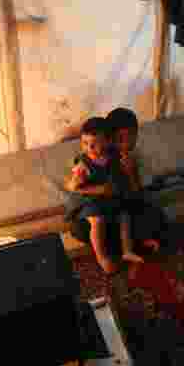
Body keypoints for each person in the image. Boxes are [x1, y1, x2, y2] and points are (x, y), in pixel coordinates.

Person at [64, 117, 141, 274]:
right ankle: (102, 258)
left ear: (107, 142)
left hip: (109, 199)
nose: (89, 148)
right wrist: (77, 179)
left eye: (94, 144)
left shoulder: (113, 156)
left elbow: (123, 180)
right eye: (85, 143)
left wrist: (128, 169)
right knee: (97, 221)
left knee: (124, 216)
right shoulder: (83, 162)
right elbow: (72, 185)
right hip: (90, 202)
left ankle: (127, 250)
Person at [105, 107, 166, 254]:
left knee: (156, 216)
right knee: (82, 227)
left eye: (132, 137)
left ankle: (127, 243)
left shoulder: (136, 157)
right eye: (120, 140)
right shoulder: (101, 155)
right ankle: (129, 243)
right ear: (109, 139)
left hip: (129, 207)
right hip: (108, 212)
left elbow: (138, 198)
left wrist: (131, 173)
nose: (126, 144)